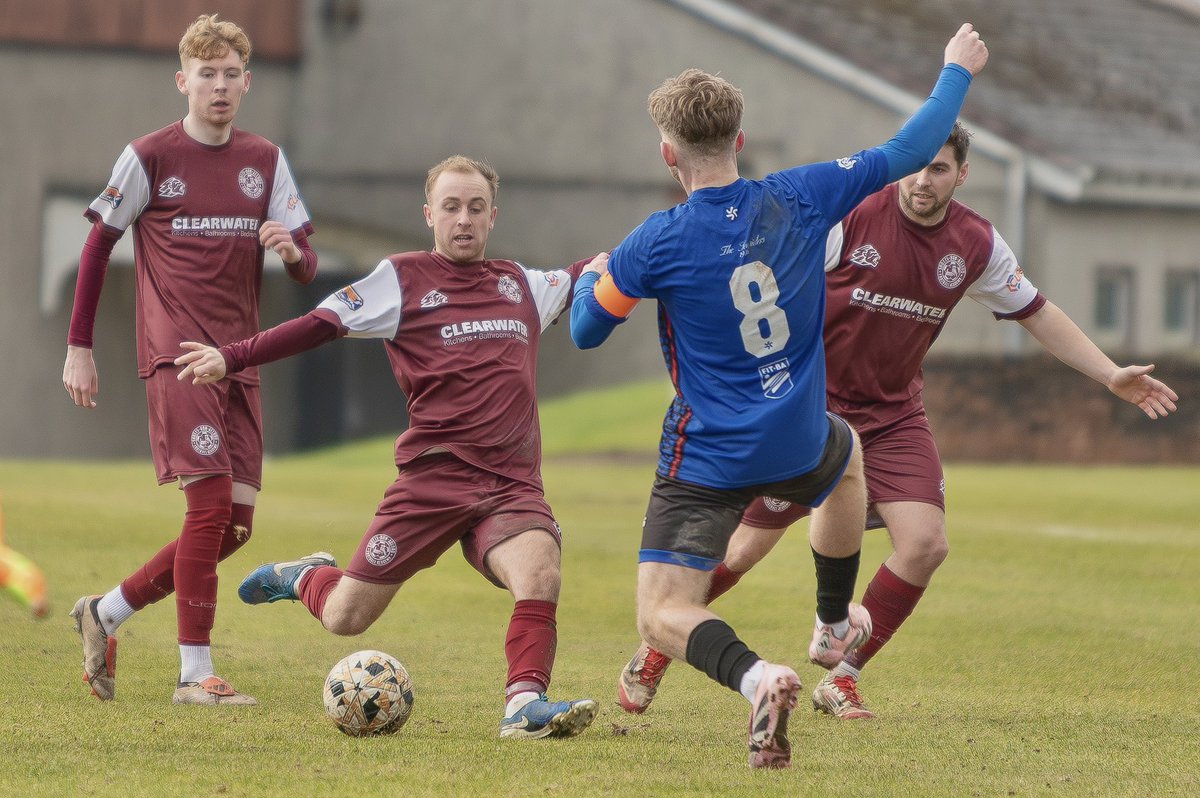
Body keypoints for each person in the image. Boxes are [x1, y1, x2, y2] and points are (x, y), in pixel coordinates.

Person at [616, 122, 1181, 722]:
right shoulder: (849, 216)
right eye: (917, 165)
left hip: (892, 416)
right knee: (744, 550)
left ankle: (843, 676)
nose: (922, 180)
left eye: (939, 169)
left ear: (962, 175)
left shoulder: (976, 244)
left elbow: (1037, 313)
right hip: (807, 410)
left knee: (926, 544)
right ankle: (660, 641)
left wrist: (1110, 373)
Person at [570, 24, 989, 768]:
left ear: (667, 154)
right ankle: (832, 622)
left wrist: (594, 277)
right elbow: (909, 147)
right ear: (740, 139)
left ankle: (757, 677)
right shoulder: (801, 194)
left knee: (662, 612)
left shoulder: (654, 242)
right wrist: (956, 71)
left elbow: (586, 331)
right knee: (848, 458)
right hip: (799, 438)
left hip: (707, 458)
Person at [176, 155, 601, 740]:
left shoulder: (523, 285)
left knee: (541, 571)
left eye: (476, 208)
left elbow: (594, 271)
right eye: (451, 207)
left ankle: (524, 704)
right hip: (432, 482)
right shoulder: (400, 279)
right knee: (346, 618)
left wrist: (650, 245)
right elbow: (317, 325)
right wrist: (231, 357)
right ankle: (304, 577)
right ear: (429, 214)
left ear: (493, 216)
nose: (463, 219)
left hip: (511, 485)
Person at [62, 14, 319, 705]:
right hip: (177, 357)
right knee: (208, 510)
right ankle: (194, 675)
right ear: (183, 81)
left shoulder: (265, 160)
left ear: (247, 82)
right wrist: (80, 346)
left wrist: (292, 253)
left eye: (231, 74)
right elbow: (97, 246)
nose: (219, 86)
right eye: (207, 74)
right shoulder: (148, 156)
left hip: (238, 360)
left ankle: (106, 611)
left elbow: (305, 262)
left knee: (234, 526)